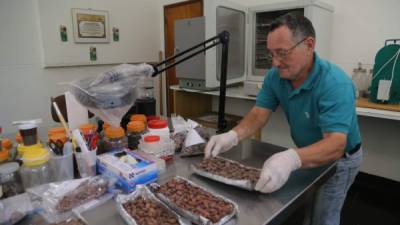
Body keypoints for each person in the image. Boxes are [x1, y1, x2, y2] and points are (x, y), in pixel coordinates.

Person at [204, 13, 362, 225]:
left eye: (282, 52)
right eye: (271, 54)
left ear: (309, 44)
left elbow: (336, 144)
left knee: (325, 215)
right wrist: (233, 135)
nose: (276, 62)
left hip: (340, 158)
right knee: (308, 207)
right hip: (307, 151)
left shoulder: (335, 83)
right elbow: (259, 114)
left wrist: (291, 159)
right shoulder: (276, 76)